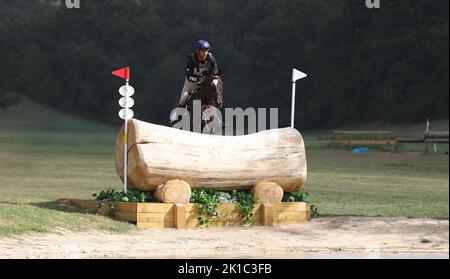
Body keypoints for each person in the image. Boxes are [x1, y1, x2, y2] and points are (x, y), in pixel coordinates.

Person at [171, 40, 220, 123]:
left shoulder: (211, 59)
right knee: (183, 97)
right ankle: (178, 117)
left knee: (213, 96)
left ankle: (217, 119)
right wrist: (198, 79)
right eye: (203, 51)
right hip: (191, 82)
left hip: (205, 83)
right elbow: (189, 76)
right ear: (198, 51)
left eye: (206, 50)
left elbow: (215, 71)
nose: (205, 53)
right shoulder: (191, 59)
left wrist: (212, 77)